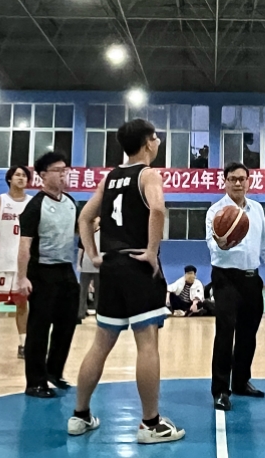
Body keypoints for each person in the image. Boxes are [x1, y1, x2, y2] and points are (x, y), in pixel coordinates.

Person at [68, 119, 185, 444]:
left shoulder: (110, 178)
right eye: (156, 138)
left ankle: (80, 415)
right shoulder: (148, 175)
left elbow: (85, 217)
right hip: (137, 265)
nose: (158, 142)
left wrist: (93, 255)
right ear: (148, 143)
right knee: (147, 343)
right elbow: (157, 210)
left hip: (111, 266)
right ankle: (150, 424)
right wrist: (151, 251)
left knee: (100, 344)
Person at [207, 162, 265, 412]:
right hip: (225, 279)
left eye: (242, 178)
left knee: (248, 334)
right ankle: (221, 390)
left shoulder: (257, 209)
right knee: (225, 333)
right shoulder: (216, 212)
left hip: (252, 279)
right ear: (225, 182)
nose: (238, 183)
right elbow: (212, 246)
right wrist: (222, 243)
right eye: (232, 179)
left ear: (248, 182)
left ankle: (241, 382)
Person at [17, 152, 80, 398]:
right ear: (43, 175)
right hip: (42, 271)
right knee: (39, 327)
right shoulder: (35, 206)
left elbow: (80, 230)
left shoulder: (71, 202)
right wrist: (22, 277)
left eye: (66, 169)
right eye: (58, 170)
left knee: (67, 323)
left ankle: (54, 371)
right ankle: (35, 382)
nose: (64, 174)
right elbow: (24, 245)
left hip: (66, 270)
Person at [0, 165, 33, 361]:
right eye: (17, 175)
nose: (21, 178)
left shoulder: (32, 203)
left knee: (22, 304)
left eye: (24, 175)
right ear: (9, 179)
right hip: (0, 259)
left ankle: (23, 345)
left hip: (22, 263)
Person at [77, 216, 101, 324]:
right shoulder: (85, 233)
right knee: (83, 290)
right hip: (86, 265)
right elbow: (80, 249)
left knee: (99, 292)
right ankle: (80, 312)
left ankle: (99, 313)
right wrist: (78, 264)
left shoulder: (103, 234)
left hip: (99, 267)